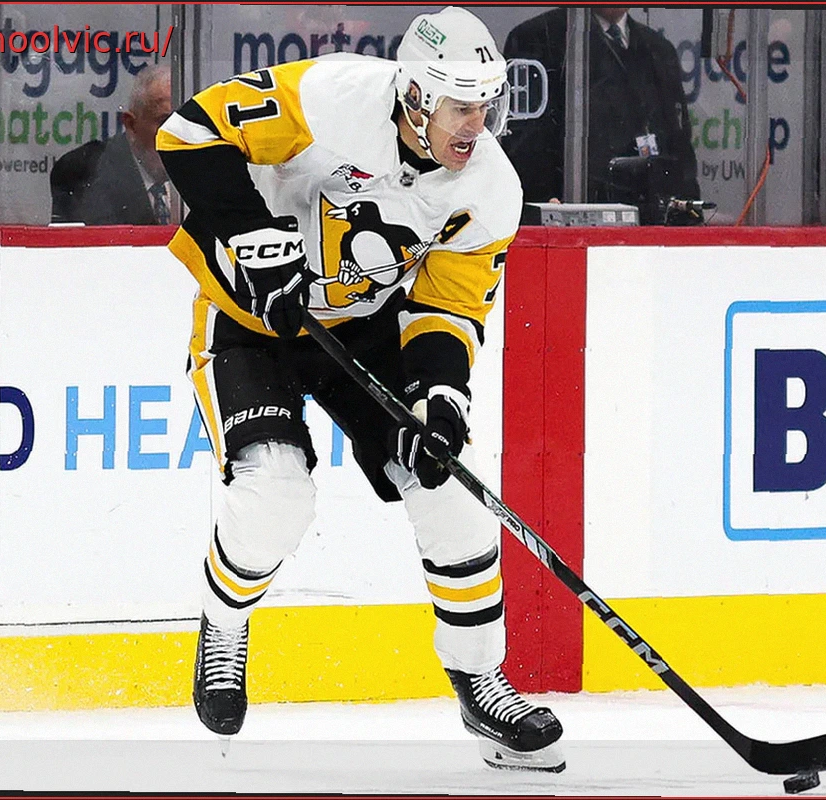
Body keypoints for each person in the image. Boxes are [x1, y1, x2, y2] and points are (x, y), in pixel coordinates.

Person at [156, 6, 565, 773]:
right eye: (460, 105)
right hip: (250, 320)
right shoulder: (331, 97)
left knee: (451, 489)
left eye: (486, 104)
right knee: (276, 494)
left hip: (364, 326)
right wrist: (254, 237)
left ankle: (480, 679)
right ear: (414, 95)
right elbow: (188, 133)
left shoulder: (490, 188)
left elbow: (448, 307)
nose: (476, 124)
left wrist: (441, 400)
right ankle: (224, 624)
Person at [501, 7, 701, 216]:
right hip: (573, 213)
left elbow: (678, 142)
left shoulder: (659, 49)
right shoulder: (536, 37)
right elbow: (524, 142)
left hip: (649, 215)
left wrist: (690, 212)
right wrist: (543, 205)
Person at [50, 64, 174, 225]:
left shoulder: (200, 171)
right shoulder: (85, 173)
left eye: (185, 122)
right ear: (131, 125)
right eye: (166, 123)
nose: (178, 135)